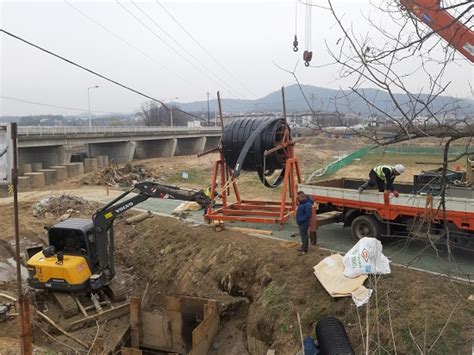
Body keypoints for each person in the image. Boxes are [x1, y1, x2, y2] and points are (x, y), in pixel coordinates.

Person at [296, 191, 313, 256]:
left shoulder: (307, 204)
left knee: (304, 236)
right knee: (303, 236)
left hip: (303, 223)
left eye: (298, 197)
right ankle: (303, 247)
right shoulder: (302, 203)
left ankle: (304, 249)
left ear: (302, 197)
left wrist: (300, 220)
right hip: (301, 222)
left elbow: (308, 215)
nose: (298, 199)